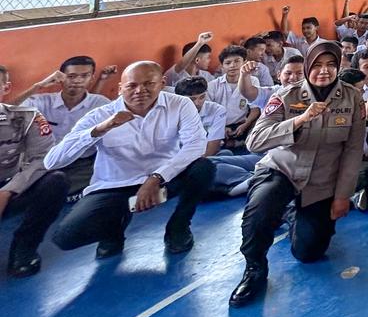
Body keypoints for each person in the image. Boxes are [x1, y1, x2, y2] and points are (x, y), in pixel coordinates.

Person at [228, 41, 365, 307]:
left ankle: (292, 212)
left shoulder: (352, 98)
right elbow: (254, 141)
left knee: (308, 253)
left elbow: (353, 150)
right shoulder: (286, 96)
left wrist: (342, 196)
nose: (324, 71)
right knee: (260, 210)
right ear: (307, 67)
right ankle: (255, 269)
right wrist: (299, 120)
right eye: (317, 65)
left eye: (331, 65)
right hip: (283, 170)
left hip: (321, 181)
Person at [46, 61, 214, 258]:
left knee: (204, 168)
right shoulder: (100, 116)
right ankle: (114, 228)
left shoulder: (180, 104)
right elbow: (52, 162)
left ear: (162, 83)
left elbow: (195, 146)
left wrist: (156, 178)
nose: (140, 91)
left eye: (148, 84)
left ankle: (179, 226)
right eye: (131, 85)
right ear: (120, 89)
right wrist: (99, 130)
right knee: (66, 237)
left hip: (163, 181)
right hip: (115, 188)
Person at [0, 65, 68, 277]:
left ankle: (24, 248)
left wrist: (8, 191)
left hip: (9, 187)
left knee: (55, 181)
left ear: (6, 87)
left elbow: (43, 158)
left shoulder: (26, 117)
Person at [11, 55, 110, 196]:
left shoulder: (101, 103)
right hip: (46, 162)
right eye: (72, 76)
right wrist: (37, 86)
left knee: (99, 176)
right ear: (60, 77)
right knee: (26, 185)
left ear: (92, 78)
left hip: (82, 165)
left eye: (84, 76)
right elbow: (6, 112)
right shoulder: (43, 102)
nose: (78, 81)